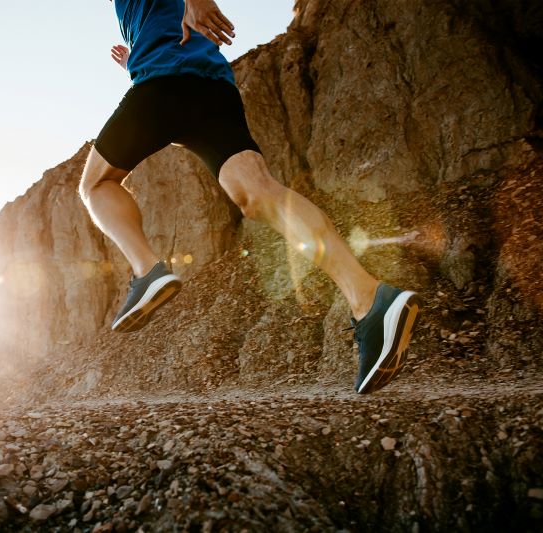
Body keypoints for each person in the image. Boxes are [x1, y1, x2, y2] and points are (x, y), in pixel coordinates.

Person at [78, 0, 421, 394]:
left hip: (163, 83)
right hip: (211, 88)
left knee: (96, 185)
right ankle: (370, 299)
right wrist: (137, 59)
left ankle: (146, 271)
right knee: (258, 194)